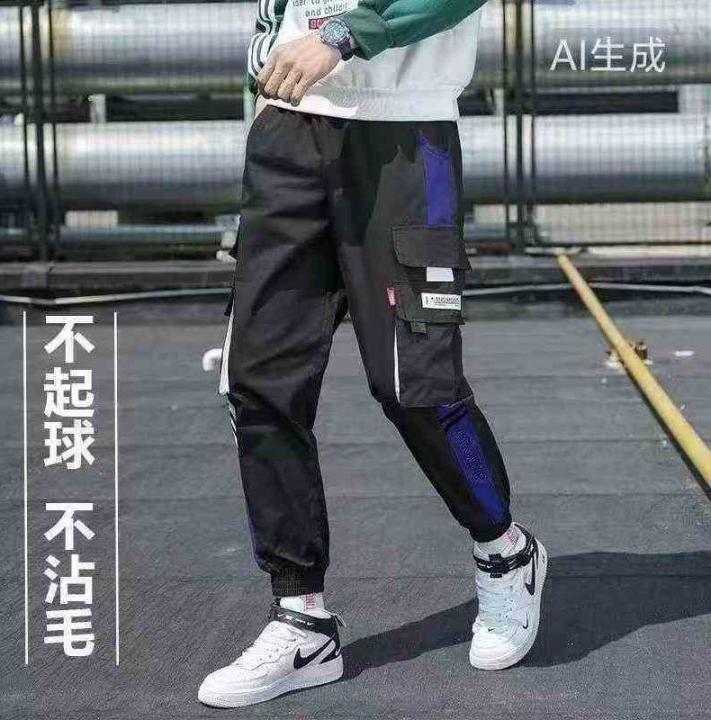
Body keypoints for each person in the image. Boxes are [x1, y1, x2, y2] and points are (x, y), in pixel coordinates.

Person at [198, 0, 548, 708]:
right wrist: (267, 70)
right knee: (259, 383)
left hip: (404, 136)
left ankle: (506, 550)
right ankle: (301, 617)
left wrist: (346, 34)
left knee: (417, 385)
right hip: (288, 128)